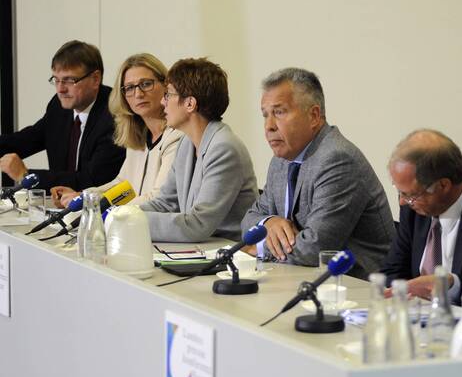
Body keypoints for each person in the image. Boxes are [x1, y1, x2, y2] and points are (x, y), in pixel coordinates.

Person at [241, 67, 395, 279]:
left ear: (313, 115)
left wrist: (257, 249)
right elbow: (249, 219)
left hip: (355, 290)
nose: (268, 126)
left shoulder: (338, 159)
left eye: (279, 112)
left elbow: (314, 249)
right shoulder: (280, 161)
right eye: (265, 115)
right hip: (299, 278)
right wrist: (268, 222)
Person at [383, 129, 462, 302]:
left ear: (443, 185)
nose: (403, 202)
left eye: (410, 195)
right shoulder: (413, 207)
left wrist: (451, 285)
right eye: (400, 192)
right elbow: (392, 271)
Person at [140, 58, 258, 242]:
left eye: (168, 94)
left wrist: (129, 222)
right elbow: (166, 203)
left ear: (190, 104)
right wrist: (120, 214)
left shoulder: (224, 148)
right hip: (203, 250)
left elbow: (197, 225)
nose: (163, 102)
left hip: (229, 256)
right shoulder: (186, 143)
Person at [50, 53, 183, 207]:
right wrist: (85, 196)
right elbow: (123, 186)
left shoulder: (176, 136)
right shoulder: (137, 136)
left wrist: (100, 207)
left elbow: (158, 198)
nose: (138, 94)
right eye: (130, 88)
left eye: (146, 84)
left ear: (165, 85)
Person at [0, 40, 125, 192]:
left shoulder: (116, 115)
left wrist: (27, 176)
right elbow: (28, 139)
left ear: (95, 79)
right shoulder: (59, 106)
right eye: (56, 80)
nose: (60, 89)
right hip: (59, 208)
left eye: (69, 80)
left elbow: (91, 181)